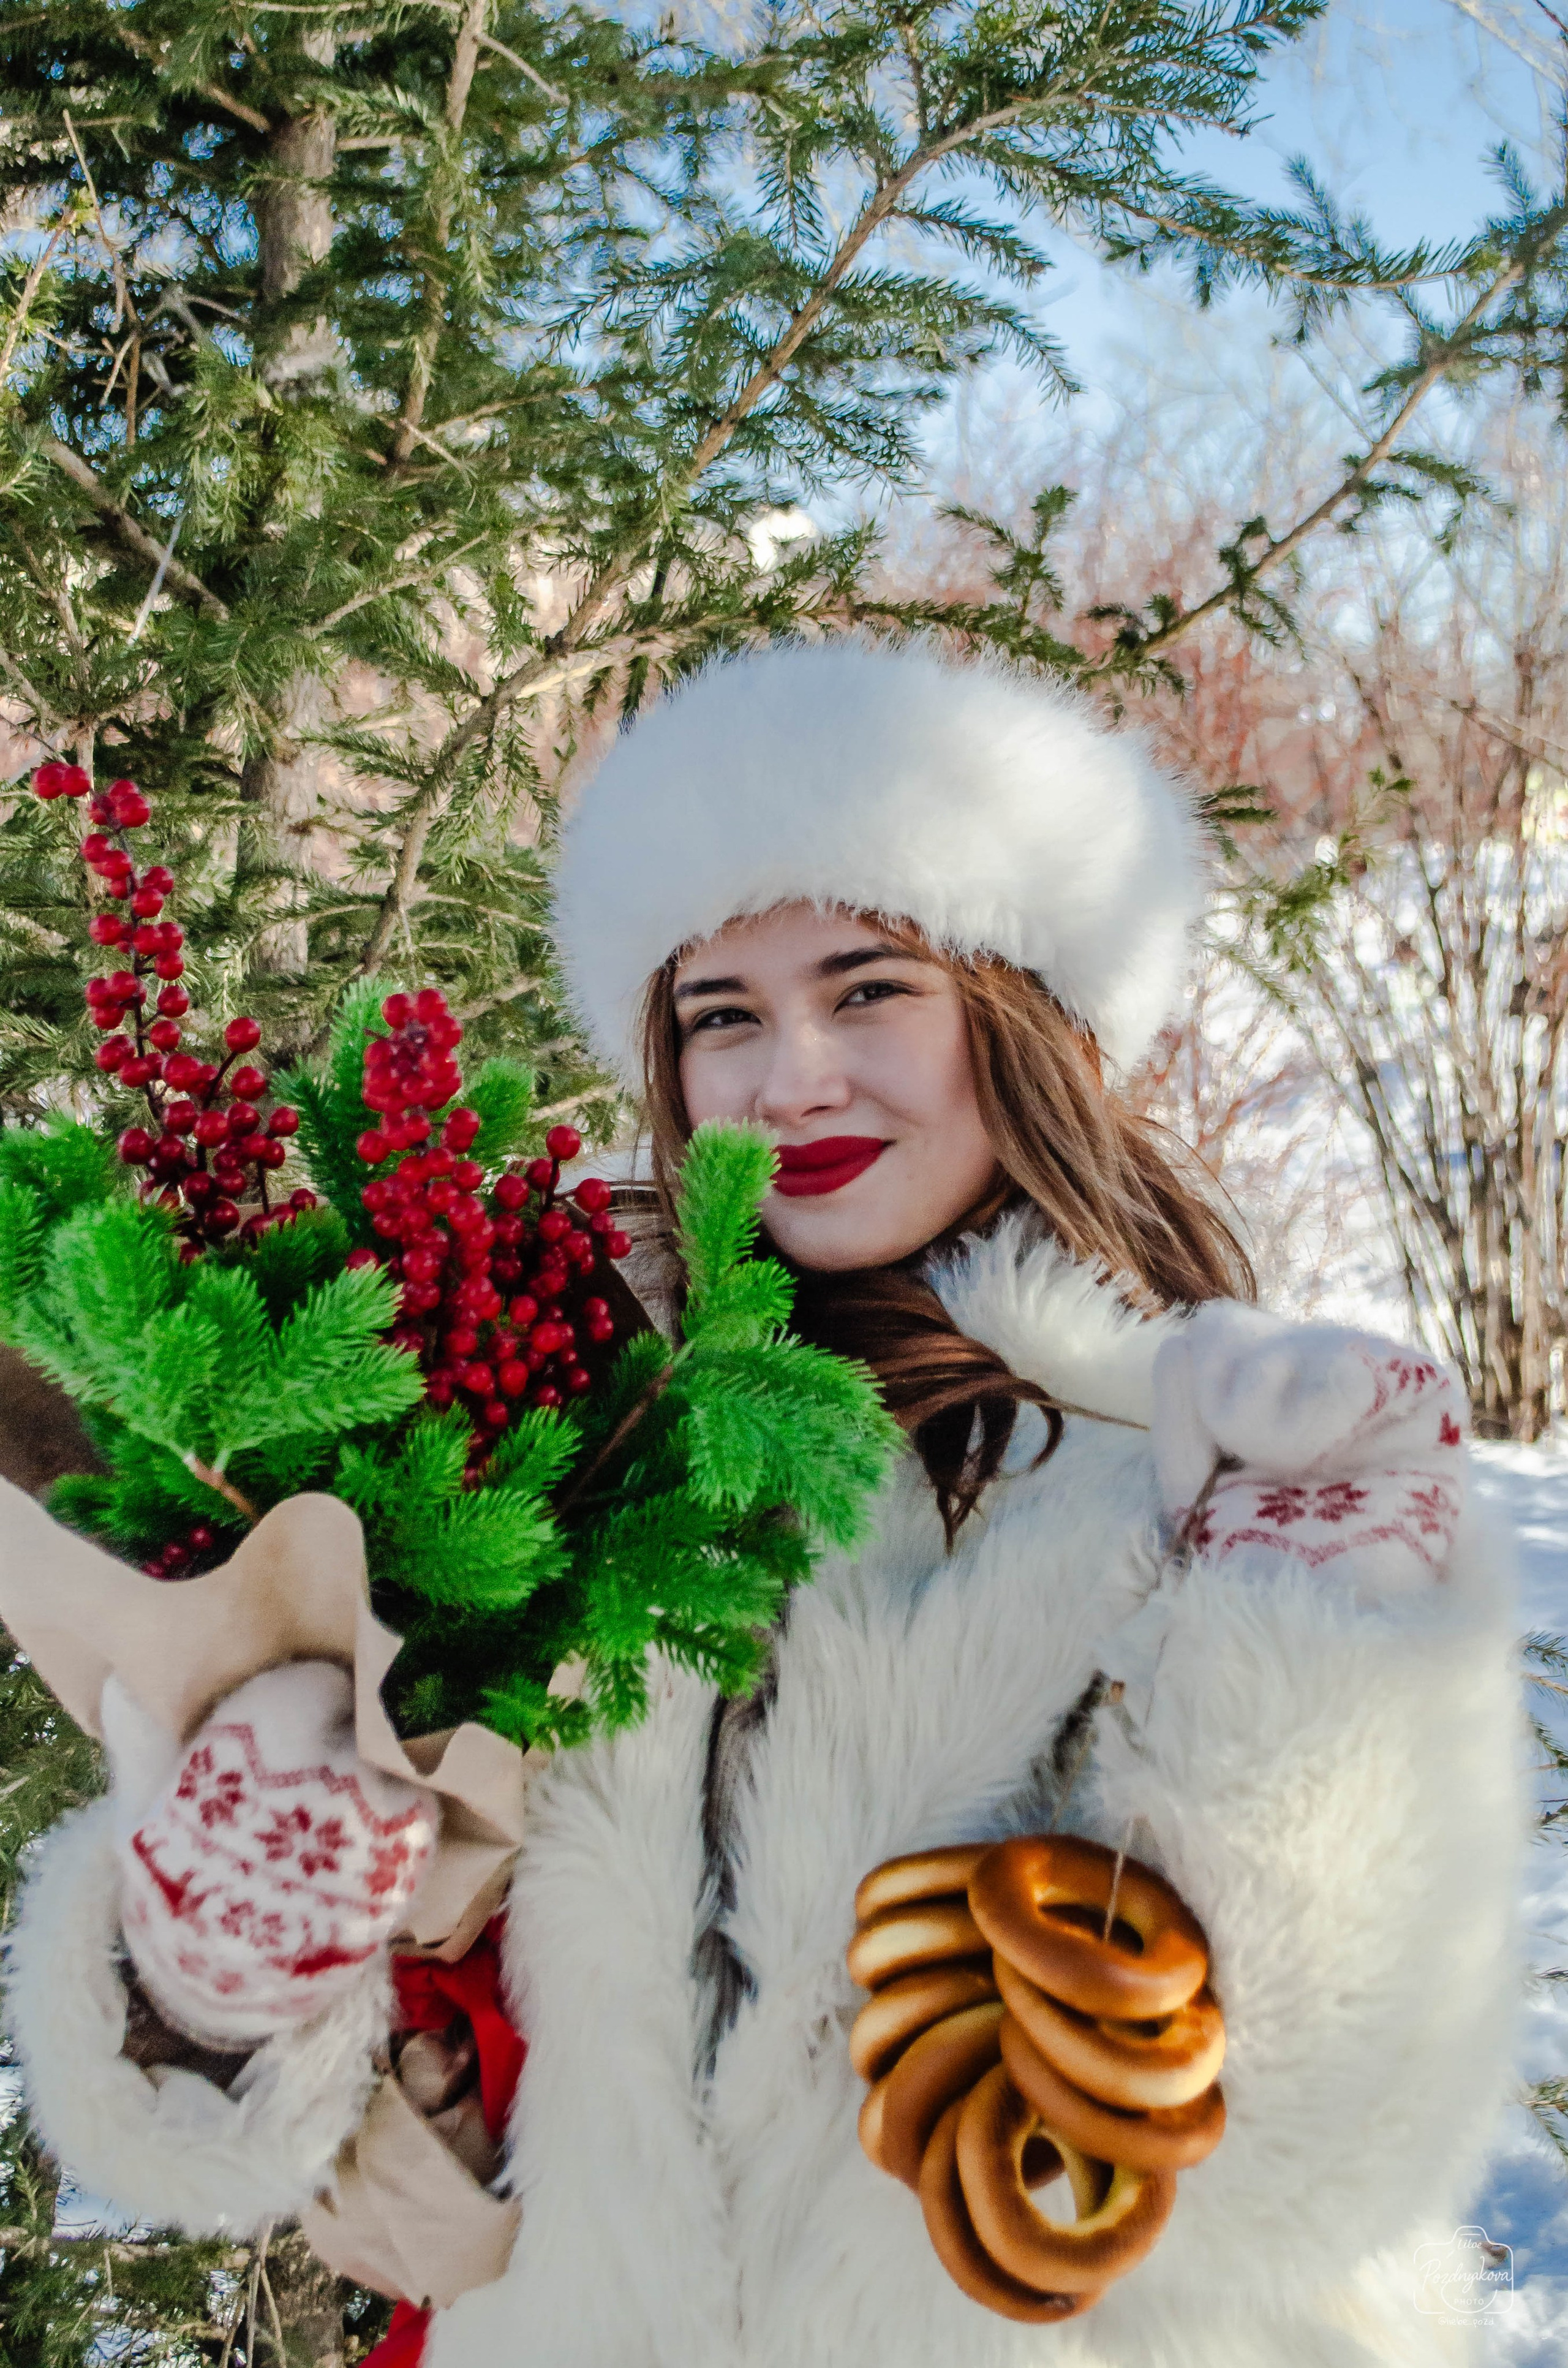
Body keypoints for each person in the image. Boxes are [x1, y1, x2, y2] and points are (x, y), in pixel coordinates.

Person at [9, 641, 1526, 2368]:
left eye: (868, 987)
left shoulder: (1193, 1464)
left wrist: (1324, 1649)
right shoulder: (536, 1458)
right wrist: (217, 1975)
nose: (791, 1074)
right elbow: (317, 2100)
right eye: (721, 1013)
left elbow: (1322, 2155)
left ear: (1018, 1014)